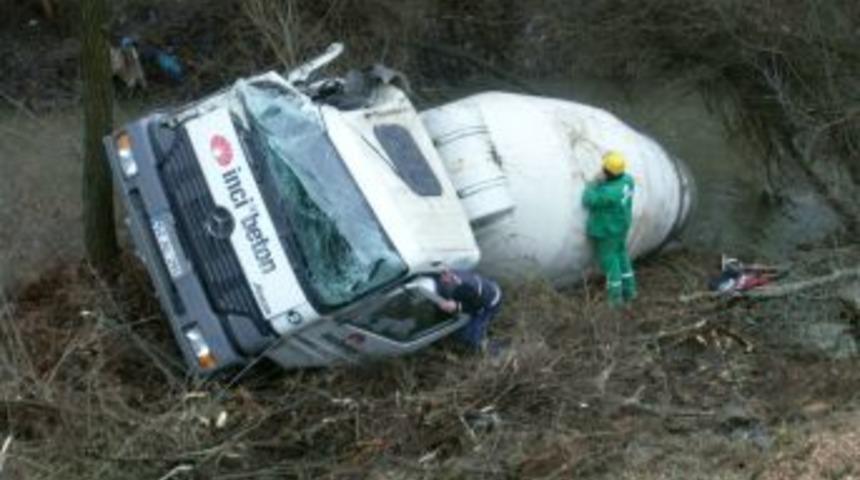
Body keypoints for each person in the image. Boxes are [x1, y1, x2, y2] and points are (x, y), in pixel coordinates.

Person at [582, 151, 636, 307]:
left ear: (609, 173)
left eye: (604, 168)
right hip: (622, 226)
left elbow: (588, 199)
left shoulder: (609, 192)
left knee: (610, 262)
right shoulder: (628, 180)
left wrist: (593, 183)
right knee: (621, 255)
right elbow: (615, 182)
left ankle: (615, 300)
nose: (601, 169)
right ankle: (630, 290)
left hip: (608, 231)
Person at [435, 267, 503, 351]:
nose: (444, 279)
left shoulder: (465, 287)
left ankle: (490, 346)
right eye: (443, 275)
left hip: (489, 302)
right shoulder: (445, 275)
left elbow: (478, 305)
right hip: (483, 288)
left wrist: (457, 306)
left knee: (468, 336)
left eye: (446, 277)